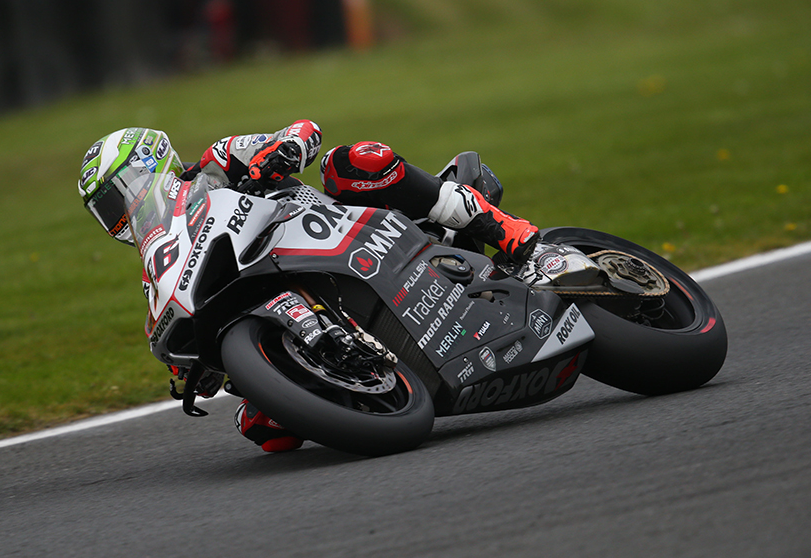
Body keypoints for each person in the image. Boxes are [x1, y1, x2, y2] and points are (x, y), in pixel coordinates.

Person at [78, 120, 540, 452]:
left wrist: (279, 154)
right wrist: (190, 372)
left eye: (115, 194)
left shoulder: (215, 162)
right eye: (105, 209)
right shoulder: (159, 254)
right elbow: (172, 324)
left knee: (355, 159)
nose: (118, 213)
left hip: (338, 227)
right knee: (266, 432)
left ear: (147, 160)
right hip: (271, 290)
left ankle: (504, 229)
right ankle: (360, 377)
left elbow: (303, 130)